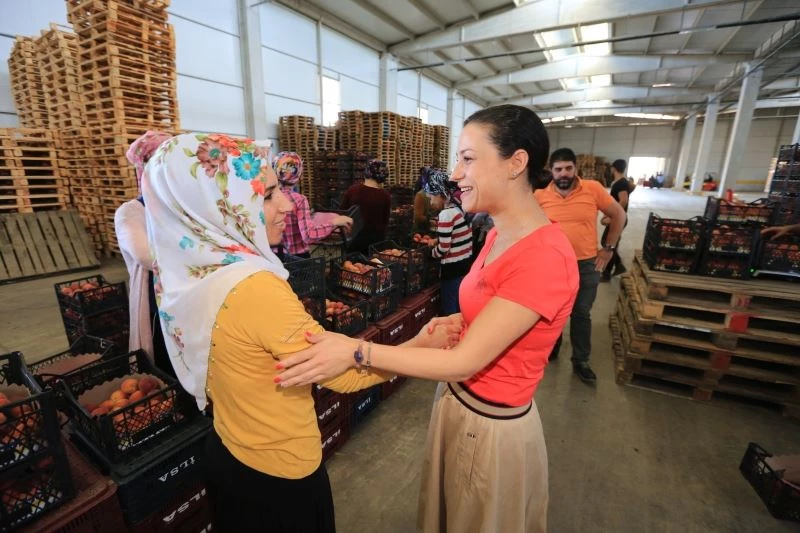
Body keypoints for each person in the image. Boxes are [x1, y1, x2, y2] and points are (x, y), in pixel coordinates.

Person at [276, 104, 579, 533]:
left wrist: (356, 350)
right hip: (459, 405)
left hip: (490, 427)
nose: (455, 174)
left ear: (517, 163)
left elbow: (464, 362)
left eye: (468, 158)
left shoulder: (544, 256)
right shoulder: (497, 234)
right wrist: (453, 322)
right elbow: (490, 316)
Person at [141, 133, 459, 532]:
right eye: (268, 194)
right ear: (225, 205)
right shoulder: (255, 289)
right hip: (277, 470)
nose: (288, 204)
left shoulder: (192, 273)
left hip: (230, 447)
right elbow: (340, 373)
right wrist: (418, 346)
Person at [534, 147, 626, 383]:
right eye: (558, 169)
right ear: (551, 172)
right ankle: (552, 348)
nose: (563, 173)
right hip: (553, 266)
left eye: (568, 168)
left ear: (576, 169)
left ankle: (581, 360)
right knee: (552, 312)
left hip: (586, 264)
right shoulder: (540, 196)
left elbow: (619, 215)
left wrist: (609, 248)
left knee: (581, 313)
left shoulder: (592, 189)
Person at [114, 130, 174, 377]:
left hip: (186, 289)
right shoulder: (131, 212)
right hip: (156, 296)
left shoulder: (178, 207)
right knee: (164, 351)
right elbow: (146, 256)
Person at [272, 151, 352, 258]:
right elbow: (309, 235)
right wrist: (335, 222)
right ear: (298, 173)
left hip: (275, 257)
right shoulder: (299, 200)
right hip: (298, 259)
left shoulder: (267, 198)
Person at [424, 168, 473, 315]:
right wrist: (438, 240)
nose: (431, 202)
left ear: (441, 195)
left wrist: (430, 253)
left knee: (449, 306)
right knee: (459, 303)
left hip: (451, 268)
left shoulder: (445, 214)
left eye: (432, 197)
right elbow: (456, 236)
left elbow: (444, 248)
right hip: (464, 264)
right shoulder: (459, 208)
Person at [340, 159, 391, 254]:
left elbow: (343, 212)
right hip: (375, 241)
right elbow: (385, 222)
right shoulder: (385, 196)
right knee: (372, 265)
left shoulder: (353, 190)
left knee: (353, 266)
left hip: (353, 238)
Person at [601, 158, 632, 281]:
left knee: (608, 244)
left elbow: (624, 200)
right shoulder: (621, 182)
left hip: (618, 219)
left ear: (614, 168)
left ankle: (607, 274)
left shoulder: (621, 183)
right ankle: (618, 265)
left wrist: (613, 216)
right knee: (609, 244)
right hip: (618, 217)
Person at [413, 166, 441, 234]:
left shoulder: (438, 193)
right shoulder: (421, 195)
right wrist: (429, 220)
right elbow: (417, 217)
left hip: (435, 229)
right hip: (422, 231)